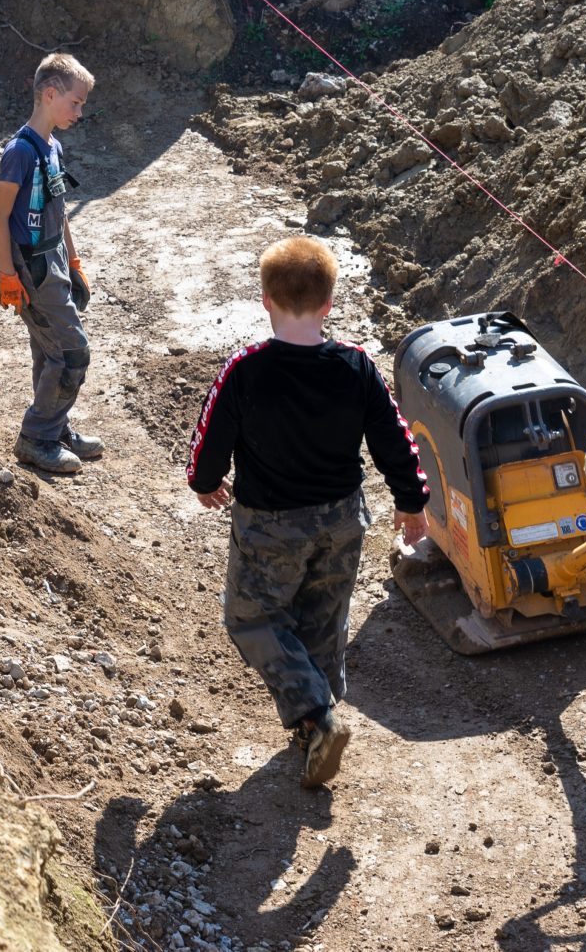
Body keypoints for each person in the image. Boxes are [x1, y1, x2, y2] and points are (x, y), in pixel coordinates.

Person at [187, 236, 430, 789]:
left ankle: (317, 715)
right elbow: (397, 440)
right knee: (322, 618)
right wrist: (412, 501)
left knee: (252, 617)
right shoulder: (356, 365)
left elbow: (210, 439)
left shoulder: (245, 370)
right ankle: (318, 723)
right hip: (342, 520)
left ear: (266, 298)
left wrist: (204, 482)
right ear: (329, 304)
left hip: (270, 523)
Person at [0, 53, 98, 476]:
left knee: (47, 349)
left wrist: (73, 260)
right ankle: (36, 438)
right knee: (73, 353)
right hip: (30, 266)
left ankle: (54, 427)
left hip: (52, 258)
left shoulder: (53, 147)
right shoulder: (19, 152)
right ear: (49, 94)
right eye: (75, 102)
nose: (80, 111)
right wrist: (7, 275)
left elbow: (61, 210)